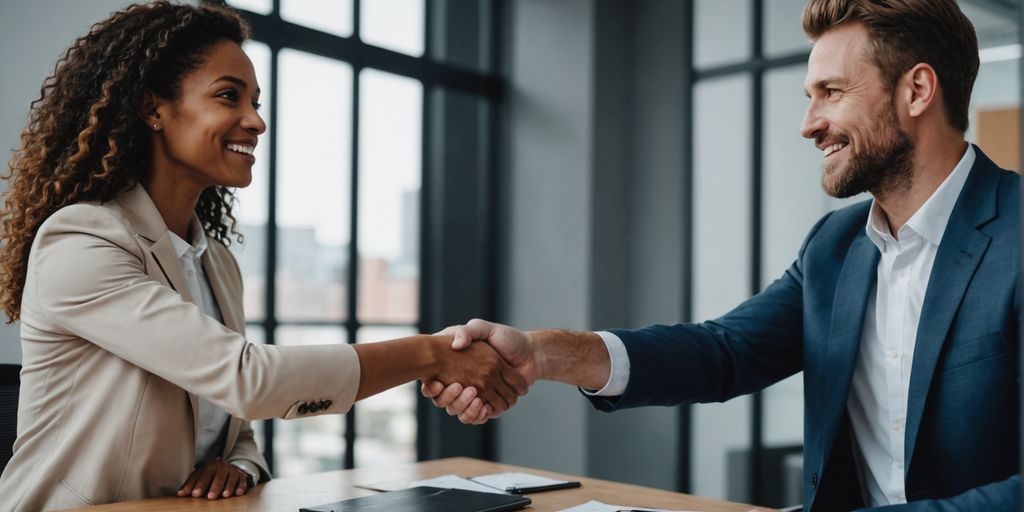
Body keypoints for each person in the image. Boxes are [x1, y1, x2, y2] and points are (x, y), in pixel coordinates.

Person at [424, 0, 1020, 510]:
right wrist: (543, 353)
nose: (809, 124)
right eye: (810, 96)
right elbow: (723, 352)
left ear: (917, 90)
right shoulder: (834, 248)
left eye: (832, 93)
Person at [0, 2, 525, 510]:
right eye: (229, 96)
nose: (255, 121)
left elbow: (237, 428)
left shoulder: (215, 262)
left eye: (256, 102)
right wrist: (431, 353)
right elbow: (249, 381)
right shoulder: (82, 239)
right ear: (153, 108)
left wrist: (240, 465)